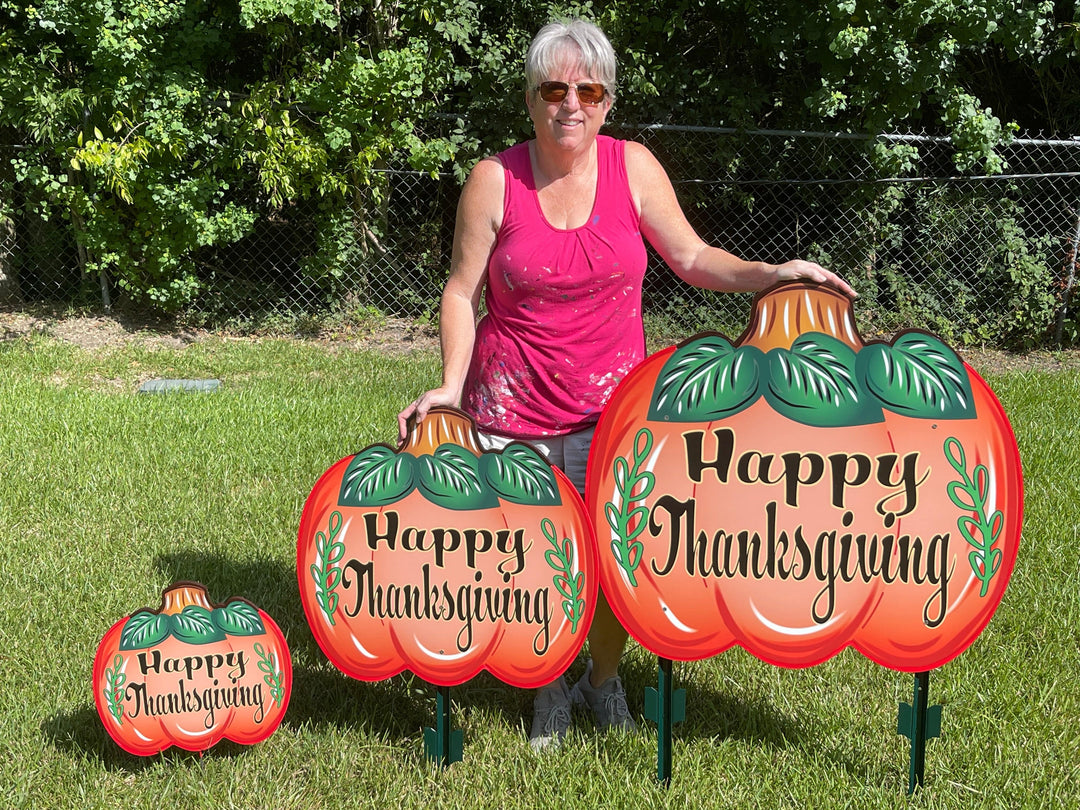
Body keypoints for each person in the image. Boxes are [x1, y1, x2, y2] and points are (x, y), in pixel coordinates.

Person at [397, 18, 855, 751]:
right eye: (554, 87)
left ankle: (601, 679)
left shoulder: (633, 167)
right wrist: (451, 384)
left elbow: (694, 256)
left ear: (607, 102)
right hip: (511, 418)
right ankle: (548, 688)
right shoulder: (495, 179)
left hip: (617, 417)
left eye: (588, 89)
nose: (570, 103)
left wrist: (771, 274)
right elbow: (461, 292)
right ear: (530, 98)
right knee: (530, 565)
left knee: (617, 565)